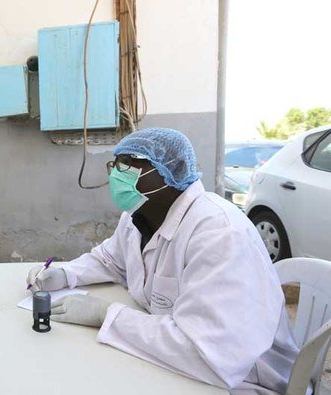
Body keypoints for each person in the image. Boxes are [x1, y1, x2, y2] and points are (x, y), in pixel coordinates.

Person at [27, 128, 300, 394]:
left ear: (170, 171)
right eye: (116, 164)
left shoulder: (219, 233)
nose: (116, 175)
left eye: (131, 165)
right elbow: (110, 259)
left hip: (242, 380)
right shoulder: (139, 215)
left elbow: (206, 351)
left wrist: (105, 314)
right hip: (176, 363)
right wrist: (65, 274)